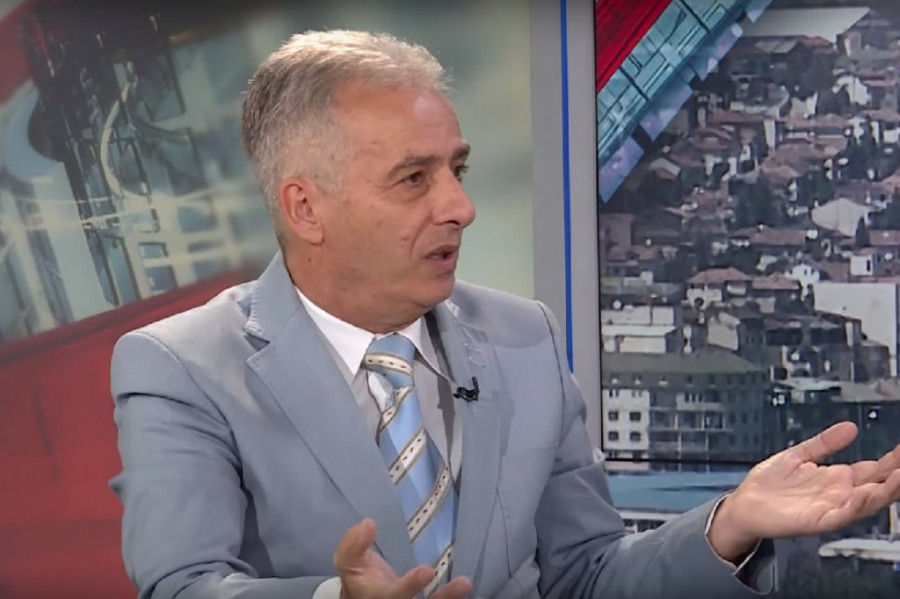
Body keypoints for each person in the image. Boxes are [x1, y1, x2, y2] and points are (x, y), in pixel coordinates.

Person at [109, 29, 900, 599]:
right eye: (414, 179)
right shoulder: (182, 366)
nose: (461, 207)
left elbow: (586, 572)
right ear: (305, 208)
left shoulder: (525, 336)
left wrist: (728, 523)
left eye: (457, 169)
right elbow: (184, 583)